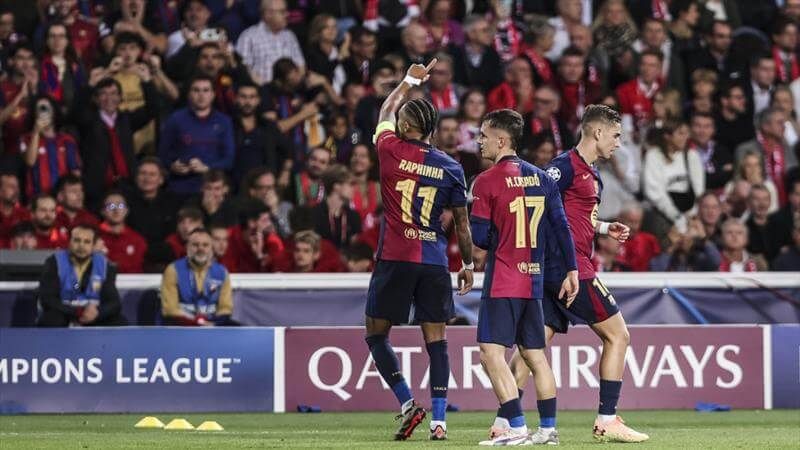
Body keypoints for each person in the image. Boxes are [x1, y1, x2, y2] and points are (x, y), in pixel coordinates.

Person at [499, 105, 649, 443]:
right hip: (569, 268)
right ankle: (607, 419)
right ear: (597, 133)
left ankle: (504, 423)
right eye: (615, 135)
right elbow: (535, 201)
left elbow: (570, 215)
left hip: (556, 268)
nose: (618, 143)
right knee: (618, 336)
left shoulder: (588, 172)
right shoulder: (563, 167)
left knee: (535, 346)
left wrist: (605, 226)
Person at [365, 59, 473, 441]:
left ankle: (409, 403)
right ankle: (440, 423)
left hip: (395, 258)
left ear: (408, 127)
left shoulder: (390, 149)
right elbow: (461, 221)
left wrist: (409, 81)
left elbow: (385, 110)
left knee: (377, 335)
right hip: (433, 262)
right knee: (438, 342)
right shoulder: (451, 167)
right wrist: (469, 264)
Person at [470, 109, 578, 446]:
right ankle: (547, 430)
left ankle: (514, 426)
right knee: (535, 355)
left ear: (502, 140)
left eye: (484, 135)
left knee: (490, 352)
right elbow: (561, 227)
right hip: (533, 281)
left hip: (503, 279)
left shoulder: (485, 181)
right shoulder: (544, 179)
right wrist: (572, 269)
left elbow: (481, 239)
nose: (479, 141)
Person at [158, 75, 234, 197]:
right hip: (180, 188)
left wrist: (207, 167)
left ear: (213, 94)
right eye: (196, 90)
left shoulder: (224, 122)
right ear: (189, 94)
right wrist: (172, 166)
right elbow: (162, 154)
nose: (201, 95)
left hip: (212, 189)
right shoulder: (175, 119)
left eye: (206, 90)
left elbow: (229, 159)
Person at [37, 224, 126, 326]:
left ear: (93, 245)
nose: (81, 246)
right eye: (77, 240)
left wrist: (98, 312)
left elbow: (114, 303)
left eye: (87, 242)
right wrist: (76, 312)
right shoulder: (54, 262)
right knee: (52, 319)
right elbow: (47, 299)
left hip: (92, 316)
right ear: (69, 242)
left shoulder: (105, 265)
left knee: (119, 321)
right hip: (64, 314)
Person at [160, 227, 235, 325]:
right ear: (187, 247)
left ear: (211, 248)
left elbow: (225, 308)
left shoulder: (221, 272)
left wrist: (213, 323)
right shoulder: (173, 270)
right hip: (181, 328)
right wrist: (196, 322)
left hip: (211, 327)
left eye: (205, 245)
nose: (201, 248)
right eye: (195, 245)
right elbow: (170, 309)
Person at [235, 0, 305, 84]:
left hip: (290, 89)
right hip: (263, 90)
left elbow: (301, 65)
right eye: (282, 11)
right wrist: (264, 88)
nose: (287, 14)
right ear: (268, 14)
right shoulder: (249, 37)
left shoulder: (289, 36)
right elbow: (244, 68)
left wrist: (298, 81)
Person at [97, 190, 147, 273]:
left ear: (127, 210)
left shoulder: (137, 240)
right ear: (103, 211)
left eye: (120, 205)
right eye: (111, 206)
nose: (116, 210)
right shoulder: (94, 237)